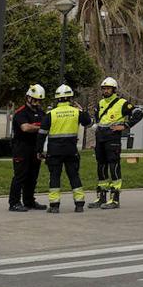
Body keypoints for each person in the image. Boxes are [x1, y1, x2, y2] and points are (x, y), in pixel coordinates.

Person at [37, 84, 92, 213]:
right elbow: (89, 123)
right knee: (74, 176)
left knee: (55, 176)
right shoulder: (76, 112)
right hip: (71, 150)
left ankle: (54, 205)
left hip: (54, 151)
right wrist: (82, 110)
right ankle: (79, 204)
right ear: (70, 98)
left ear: (57, 99)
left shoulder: (51, 114)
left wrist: (39, 151)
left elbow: (41, 135)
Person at [91, 76, 143, 209]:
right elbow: (98, 121)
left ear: (114, 90)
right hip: (100, 138)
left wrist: (125, 126)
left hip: (113, 139)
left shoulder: (122, 103)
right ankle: (101, 197)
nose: (106, 91)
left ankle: (114, 199)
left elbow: (138, 113)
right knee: (101, 167)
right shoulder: (100, 103)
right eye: (104, 88)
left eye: (108, 88)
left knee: (113, 166)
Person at [8, 84, 47, 212]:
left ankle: (29, 201)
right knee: (20, 176)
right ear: (28, 98)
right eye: (35, 100)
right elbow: (25, 128)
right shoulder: (21, 113)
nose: (37, 103)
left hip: (35, 148)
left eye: (39, 100)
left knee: (33, 176)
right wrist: (41, 128)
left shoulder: (41, 112)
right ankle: (14, 203)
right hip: (21, 148)